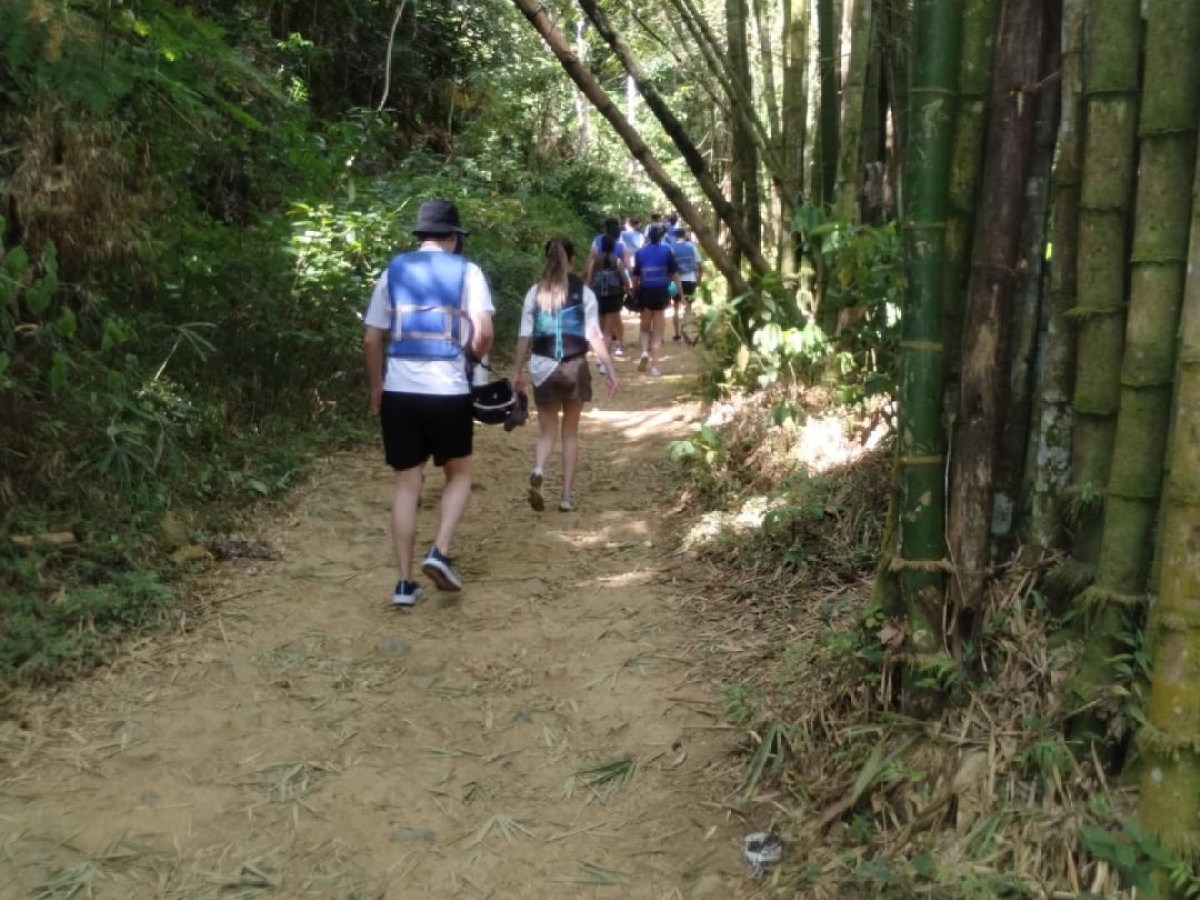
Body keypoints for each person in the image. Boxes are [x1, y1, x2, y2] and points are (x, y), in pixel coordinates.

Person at [362, 198, 494, 608]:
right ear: (453, 237)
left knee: (406, 484)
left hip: (399, 388)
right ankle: (439, 549)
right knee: (459, 474)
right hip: (447, 388)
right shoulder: (467, 272)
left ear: (421, 237)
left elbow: (371, 338)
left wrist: (376, 387)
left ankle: (403, 584)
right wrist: (471, 359)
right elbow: (484, 333)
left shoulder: (393, 271)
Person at [512, 237, 618, 513]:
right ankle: (567, 496)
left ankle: (538, 468)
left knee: (546, 433)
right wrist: (609, 369)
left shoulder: (534, 292)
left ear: (546, 259)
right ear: (572, 260)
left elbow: (524, 336)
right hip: (574, 366)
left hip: (542, 366)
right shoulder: (584, 293)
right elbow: (593, 334)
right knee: (570, 434)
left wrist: (517, 372)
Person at [631, 224, 684, 377]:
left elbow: (635, 276)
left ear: (648, 237)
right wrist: (681, 294)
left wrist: (634, 292)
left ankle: (643, 353)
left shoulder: (640, 253)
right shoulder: (667, 252)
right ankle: (655, 367)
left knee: (644, 328)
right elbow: (675, 275)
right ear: (661, 237)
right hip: (661, 293)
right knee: (658, 333)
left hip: (645, 292)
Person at [582, 232, 631, 362]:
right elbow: (624, 278)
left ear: (601, 246)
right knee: (608, 331)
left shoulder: (595, 260)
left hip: (597, 296)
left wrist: (585, 294)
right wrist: (629, 290)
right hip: (614, 296)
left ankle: (601, 355)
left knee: (600, 327)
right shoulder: (617, 260)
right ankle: (604, 358)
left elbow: (588, 278)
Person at [669, 225, 704, 341]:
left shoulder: (671, 248)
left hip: (675, 282)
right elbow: (699, 265)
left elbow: (668, 267)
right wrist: (699, 279)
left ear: (675, 236)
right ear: (684, 235)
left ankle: (676, 333)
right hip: (690, 279)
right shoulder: (691, 247)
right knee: (688, 308)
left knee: (675, 307)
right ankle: (686, 331)